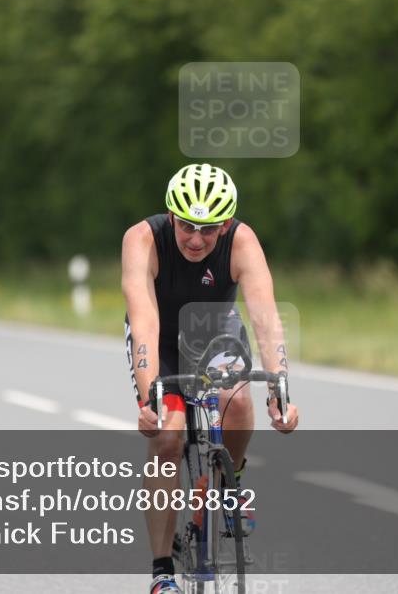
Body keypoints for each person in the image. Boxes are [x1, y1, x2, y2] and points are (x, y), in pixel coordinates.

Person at [122, 163, 300, 594]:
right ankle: (162, 571)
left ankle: (230, 482)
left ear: (225, 225)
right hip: (161, 340)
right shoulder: (142, 239)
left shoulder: (242, 241)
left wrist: (280, 388)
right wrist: (149, 399)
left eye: (210, 229)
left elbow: (266, 317)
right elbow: (144, 321)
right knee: (167, 436)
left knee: (237, 403)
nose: (197, 239)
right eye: (186, 227)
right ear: (171, 216)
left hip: (216, 336)